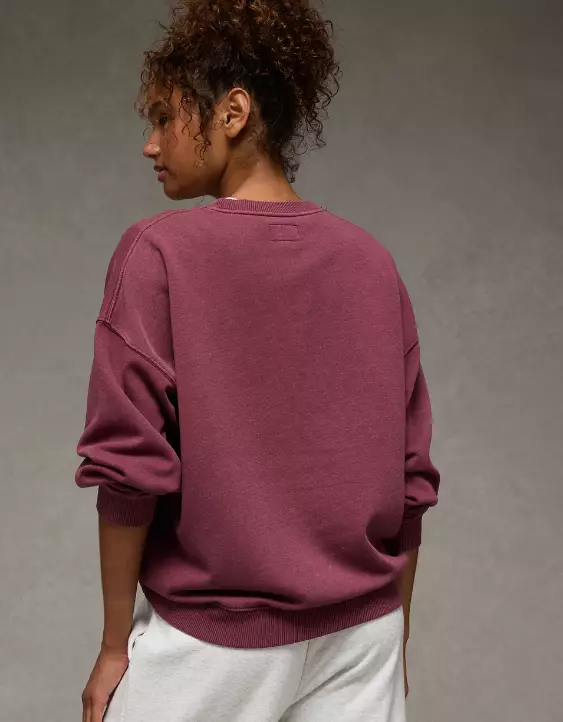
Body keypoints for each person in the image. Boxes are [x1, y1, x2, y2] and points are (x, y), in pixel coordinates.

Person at [76, 1, 440, 721]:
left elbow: (126, 467)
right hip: (363, 635)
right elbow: (411, 480)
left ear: (232, 112)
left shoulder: (159, 252)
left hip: (214, 644)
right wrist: (394, 638)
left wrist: (115, 645)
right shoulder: (371, 262)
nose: (150, 144)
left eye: (164, 117)